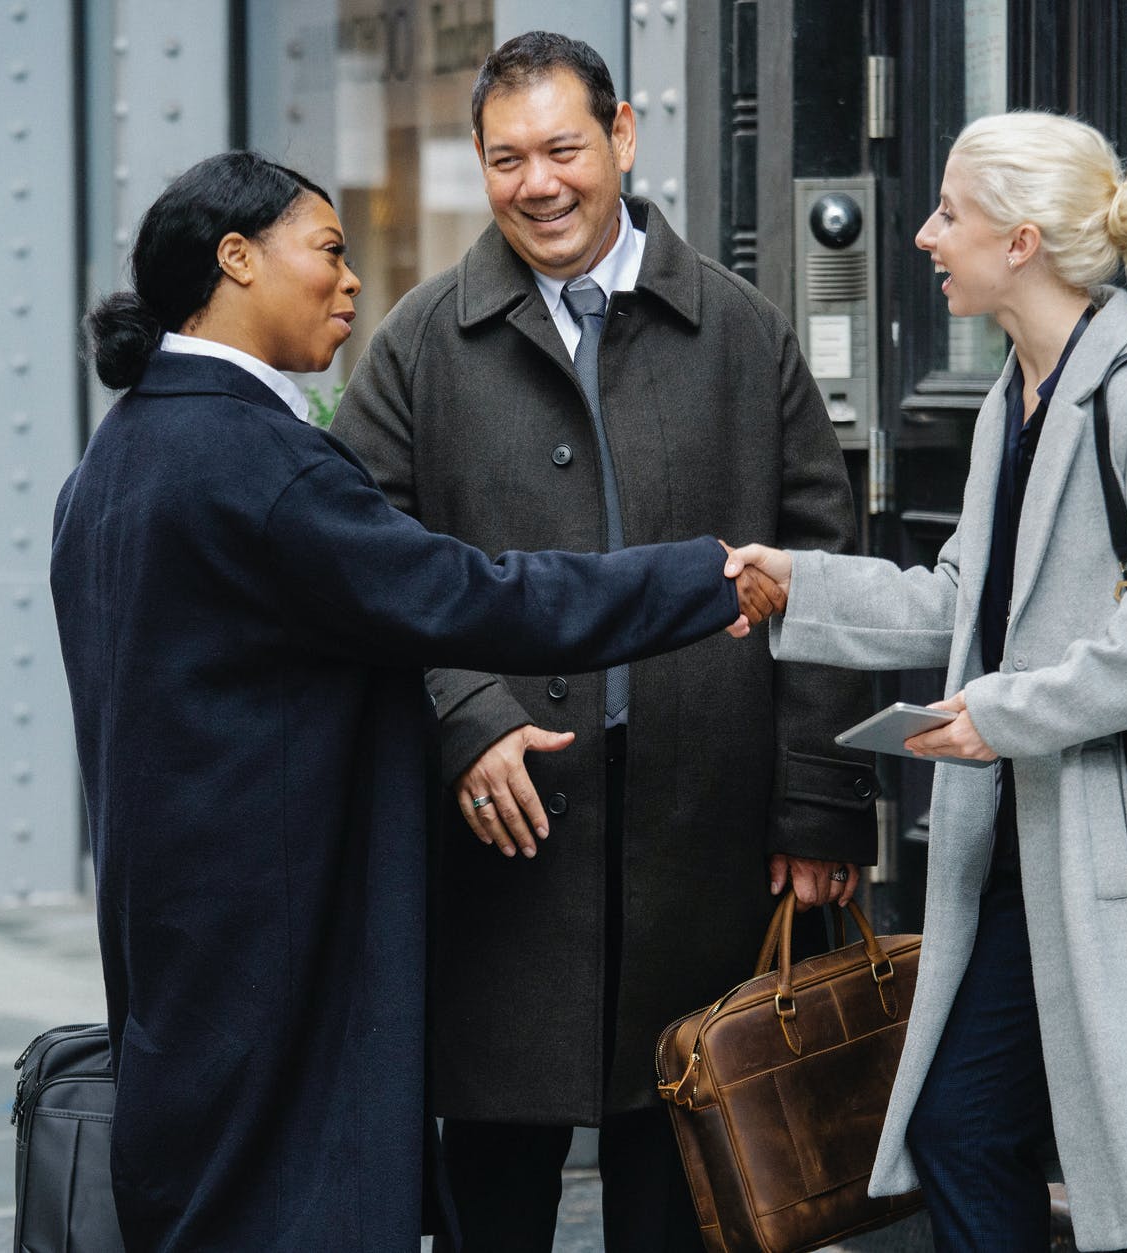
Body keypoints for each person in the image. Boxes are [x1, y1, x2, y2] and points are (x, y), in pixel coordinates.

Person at [50, 151, 783, 1252]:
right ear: (236, 260)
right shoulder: (255, 464)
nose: (351, 283)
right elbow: (465, 596)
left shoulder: (117, 456)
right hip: (284, 943)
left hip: (179, 941)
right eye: (329, 250)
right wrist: (694, 575)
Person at [330, 31, 877, 1252]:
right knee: (492, 1204)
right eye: (506, 157)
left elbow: (822, 571)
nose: (538, 183)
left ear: (622, 137)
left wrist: (820, 807)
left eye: (563, 148)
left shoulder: (742, 331)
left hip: (709, 832)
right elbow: (358, 569)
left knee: (684, 1196)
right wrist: (463, 716)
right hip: (499, 852)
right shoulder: (420, 344)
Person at [726, 112, 1127, 1251]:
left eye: (950, 212)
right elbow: (963, 600)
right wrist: (799, 584)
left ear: (1022, 240)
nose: (924, 237)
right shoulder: (1017, 394)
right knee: (962, 1129)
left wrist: (1004, 715)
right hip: (1020, 853)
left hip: (1120, 857)